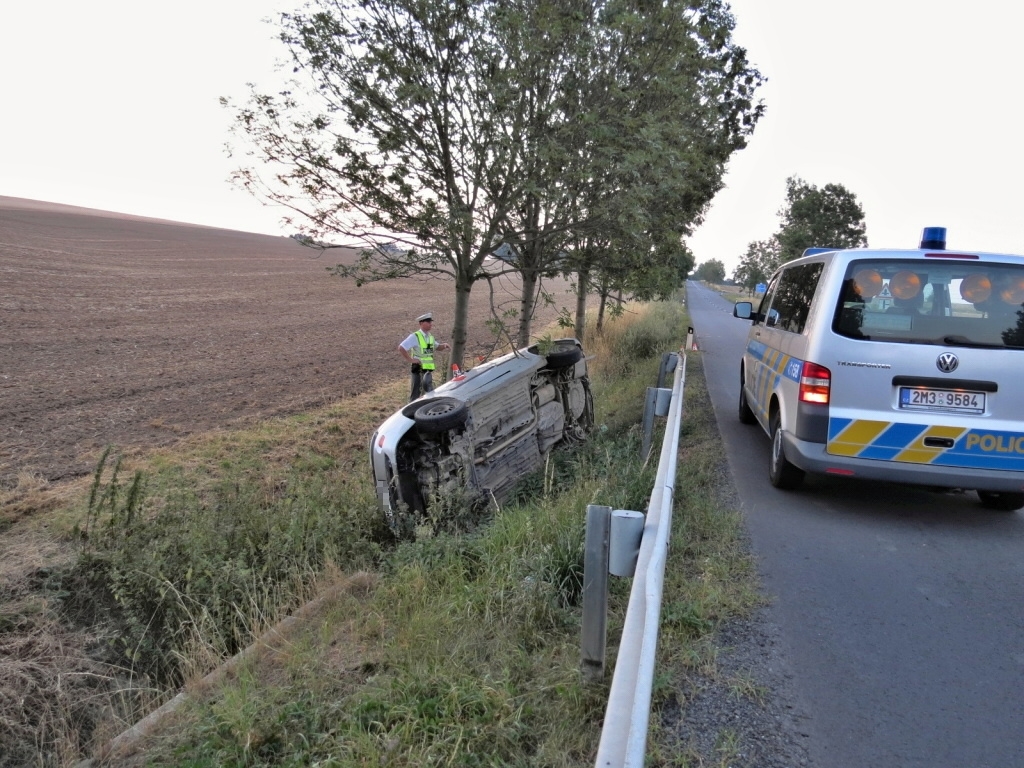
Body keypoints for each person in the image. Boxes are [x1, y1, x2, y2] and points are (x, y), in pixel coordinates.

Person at [398, 312, 451, 401]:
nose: (431, 324)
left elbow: (437, 347)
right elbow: (401, 347)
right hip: (418, 368)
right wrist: (411, 360)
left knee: (428, 393)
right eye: (428, 322)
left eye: (431, 322)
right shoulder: (415, 336)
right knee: (416, 393)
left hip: (427, 368)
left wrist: (444, 345)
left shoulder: (430, 337)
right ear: (421, 323)